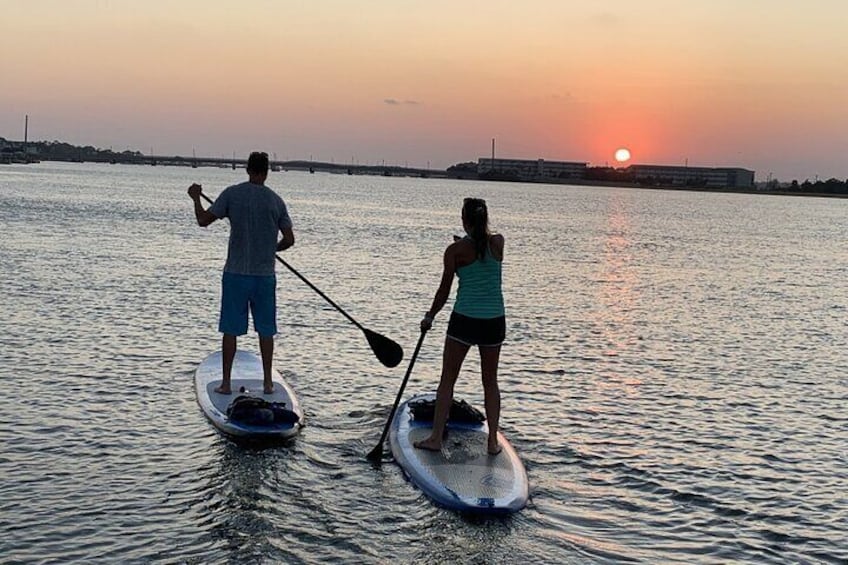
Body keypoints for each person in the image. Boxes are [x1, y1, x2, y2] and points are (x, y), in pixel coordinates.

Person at [187, 151, 295, 395]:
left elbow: (203, 220)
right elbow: (289, 239)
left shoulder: (232, 194)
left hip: (236, 274)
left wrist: (195, 198)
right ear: (266, 172)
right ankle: (268, 383)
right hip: (265, 276)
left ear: (248, 170)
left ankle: (226, 384)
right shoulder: (276, 201)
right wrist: (272, 249)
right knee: (266, 331)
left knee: (231, 329)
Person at [414, 197, 506, 455]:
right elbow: (481, 249)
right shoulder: (498, 243)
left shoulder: (454, 252)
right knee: (490, 382)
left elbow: (444, 290)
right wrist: (467, 241)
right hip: (494, 320)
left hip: (465, 319)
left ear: (464, 220)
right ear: (485, 219)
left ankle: (434, 438)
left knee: (448, 379)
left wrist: (430, 316)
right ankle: (492, 443)